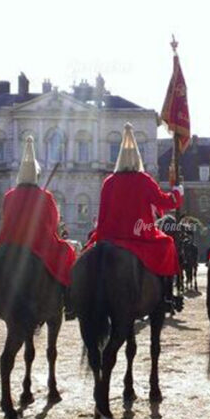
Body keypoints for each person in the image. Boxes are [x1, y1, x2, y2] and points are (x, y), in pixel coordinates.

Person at [86, 123, 184, 313]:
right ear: (138, 158)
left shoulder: (109, 182)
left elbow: (103, 213)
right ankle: (166, 296)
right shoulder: (144, 179)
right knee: (169, 243)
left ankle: (76, 299)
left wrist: (99, 236)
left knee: (84, 256)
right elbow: (166, 202)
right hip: (142, 237)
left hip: (111, 237)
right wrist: (176, 192)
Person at [0, 136, 77, 319]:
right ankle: (69, 303)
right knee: (68, 252)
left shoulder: (9, 195)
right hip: (38, 244)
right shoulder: (45, 197)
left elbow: (5, 218)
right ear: (37, 176)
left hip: (9, 241)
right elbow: (53, 223)